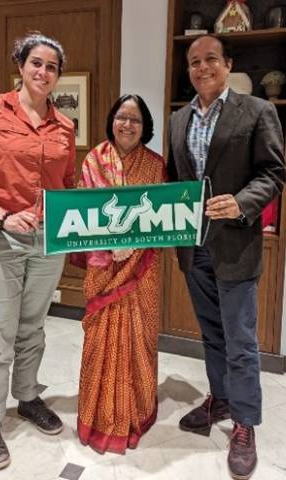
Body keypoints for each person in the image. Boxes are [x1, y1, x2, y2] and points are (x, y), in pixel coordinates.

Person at [167, 35, 285, 480]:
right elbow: (177, 182)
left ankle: (245, 423)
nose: (201, 67)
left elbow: (273, 173)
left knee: (241, 342)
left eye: (210, 59)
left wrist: (240, 203)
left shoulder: (257, 111)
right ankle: (220, 399)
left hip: (236, 245)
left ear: (227, 64)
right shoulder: (178, 120)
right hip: (193, 248)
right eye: (194, 62)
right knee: (212, 336)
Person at [0, 33, 75, 470]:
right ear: (21, 65)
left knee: (33, 326)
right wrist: (4, 216)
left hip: (47, 242)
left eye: (51, 66)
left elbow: (65, 186)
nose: (43, 72)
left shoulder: (64, 125)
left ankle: (28, 397)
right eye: (36, 63)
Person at [76, 94, 166, 454]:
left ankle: (137, 412)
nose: (127, 125)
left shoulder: (157, 166)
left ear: (146, 127)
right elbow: (81, 214)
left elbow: (164, 220)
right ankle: (97, 417)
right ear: (111, 120)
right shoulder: (93, 160)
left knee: (140, 337)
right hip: (104, 267)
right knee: (101, 339)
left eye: (135, 120)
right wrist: (110, 245)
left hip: (142, 270)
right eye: (121, 118)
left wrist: (135, 246)